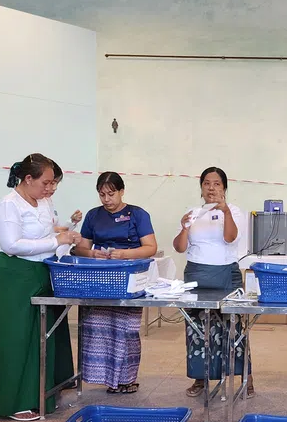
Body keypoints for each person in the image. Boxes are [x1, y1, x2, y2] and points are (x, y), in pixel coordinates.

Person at [0, 153, 81, 421]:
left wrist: (65, 235)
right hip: (13, 277)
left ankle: (42, 392)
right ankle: (13, 402)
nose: (50, 188)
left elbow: (47, 232)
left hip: (41, 271)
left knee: (44, 335)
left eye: (53, 184)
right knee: (17, 339)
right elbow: (12, 244)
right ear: (28, 179)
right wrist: (56, 241)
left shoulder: (44, 201)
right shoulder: (9, 205)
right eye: (46, 183)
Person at [172, 166, 253, 398]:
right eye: (207, 183)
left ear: (224, 188)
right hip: (196, 275)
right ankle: (201, 378)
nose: (211, 188)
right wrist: (184, 228)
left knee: (233, 327)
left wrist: (225, 211)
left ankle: (245, 378)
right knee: (198, 328)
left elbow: (230, 238)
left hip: (226, 275)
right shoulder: (192, 212)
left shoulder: (234, 211)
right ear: (201, 187)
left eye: (217, 184)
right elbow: (179, 247)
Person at [74, 172, 158, 393]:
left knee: (126, 329)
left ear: (122, 191)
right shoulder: (93, 216)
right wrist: (92, 254)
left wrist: (125, 254)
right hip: (100, 278)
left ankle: (126, 379)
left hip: (128, 278)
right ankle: (102, 378)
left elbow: (151, 247)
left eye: (111, 194)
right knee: (98, 327)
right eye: (102, 195)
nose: (107, 199)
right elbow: (80, 248)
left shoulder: (138, 214)